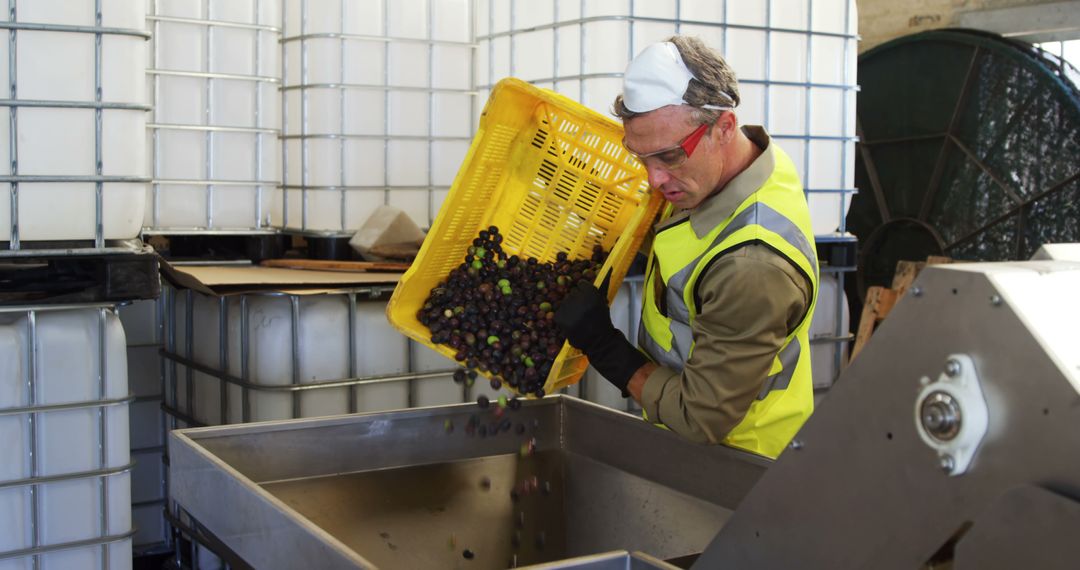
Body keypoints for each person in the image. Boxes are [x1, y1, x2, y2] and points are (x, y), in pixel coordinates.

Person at [554, 36, 819, 459]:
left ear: (725, 127)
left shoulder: (753, 266)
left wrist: (603, 346)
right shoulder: (744, 166)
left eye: (670, 156)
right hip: (686, 447)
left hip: (738, 466)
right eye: (642, 158)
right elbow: (686, 239)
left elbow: (700, 418)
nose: (655, 180)